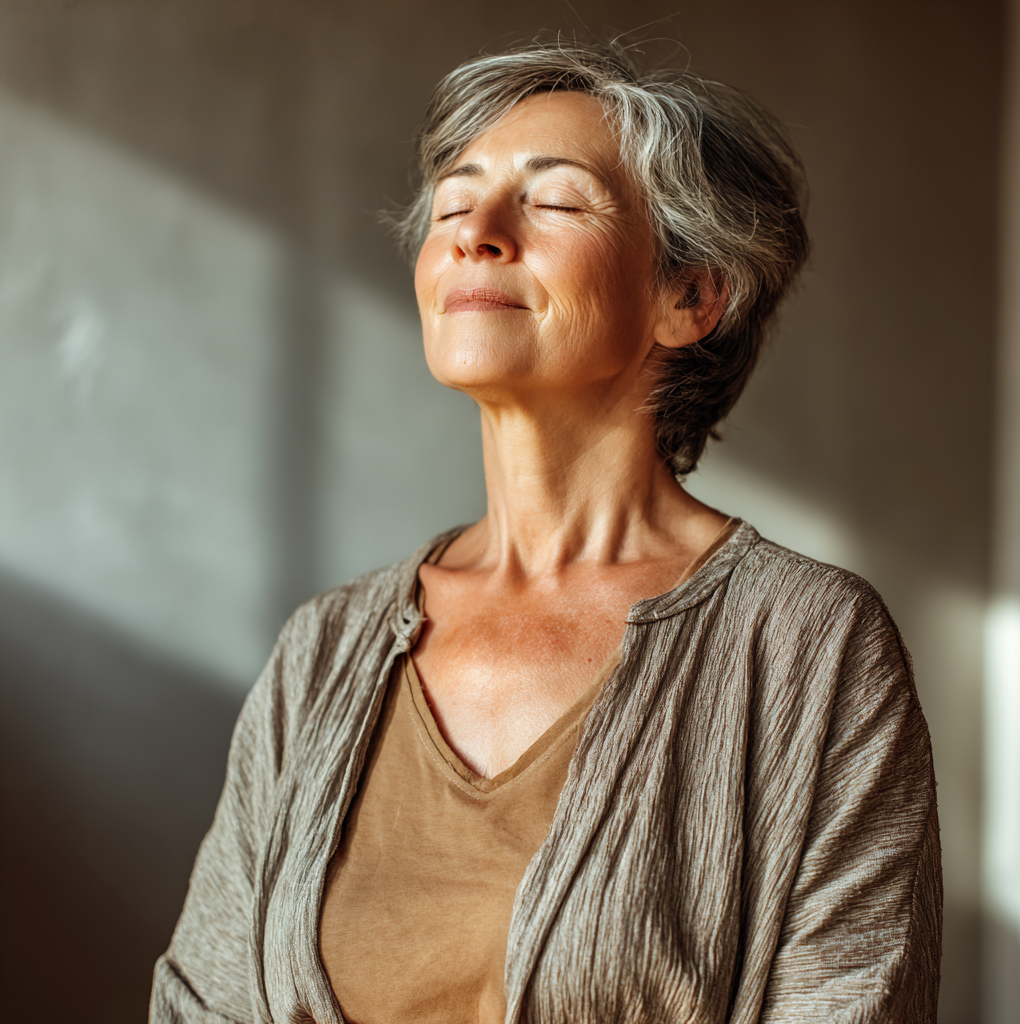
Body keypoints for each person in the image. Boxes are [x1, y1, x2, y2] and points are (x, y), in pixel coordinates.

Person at [151, 40, 941, 1024]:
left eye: (553, 201)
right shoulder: (323, 648)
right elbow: (200, 1004)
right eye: (451, 204)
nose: (475, 232)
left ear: (688, 295)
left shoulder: (808, 645)